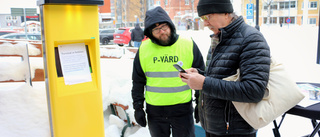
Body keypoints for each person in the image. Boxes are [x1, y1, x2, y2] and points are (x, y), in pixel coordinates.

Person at [179, 0, 271, 137]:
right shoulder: (219, 37)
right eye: (202, 18)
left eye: (208, 17)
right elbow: (222, 76)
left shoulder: (251, 38)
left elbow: (254, 91)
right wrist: (199, 74)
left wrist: (203, 83)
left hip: (235, 131)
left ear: (226, 13)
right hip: (214, 126)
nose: (205, 23)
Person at [131, 6, 205, 137]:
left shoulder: (188, 44)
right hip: (155, 111)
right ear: (150, 32)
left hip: (182, 109)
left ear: (170, 25)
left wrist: (200, 104)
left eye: (164, 27)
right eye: (156, 29)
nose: (161, 32)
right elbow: (138, 81)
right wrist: (138, 107)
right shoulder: (144, 49)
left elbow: (201, 76)